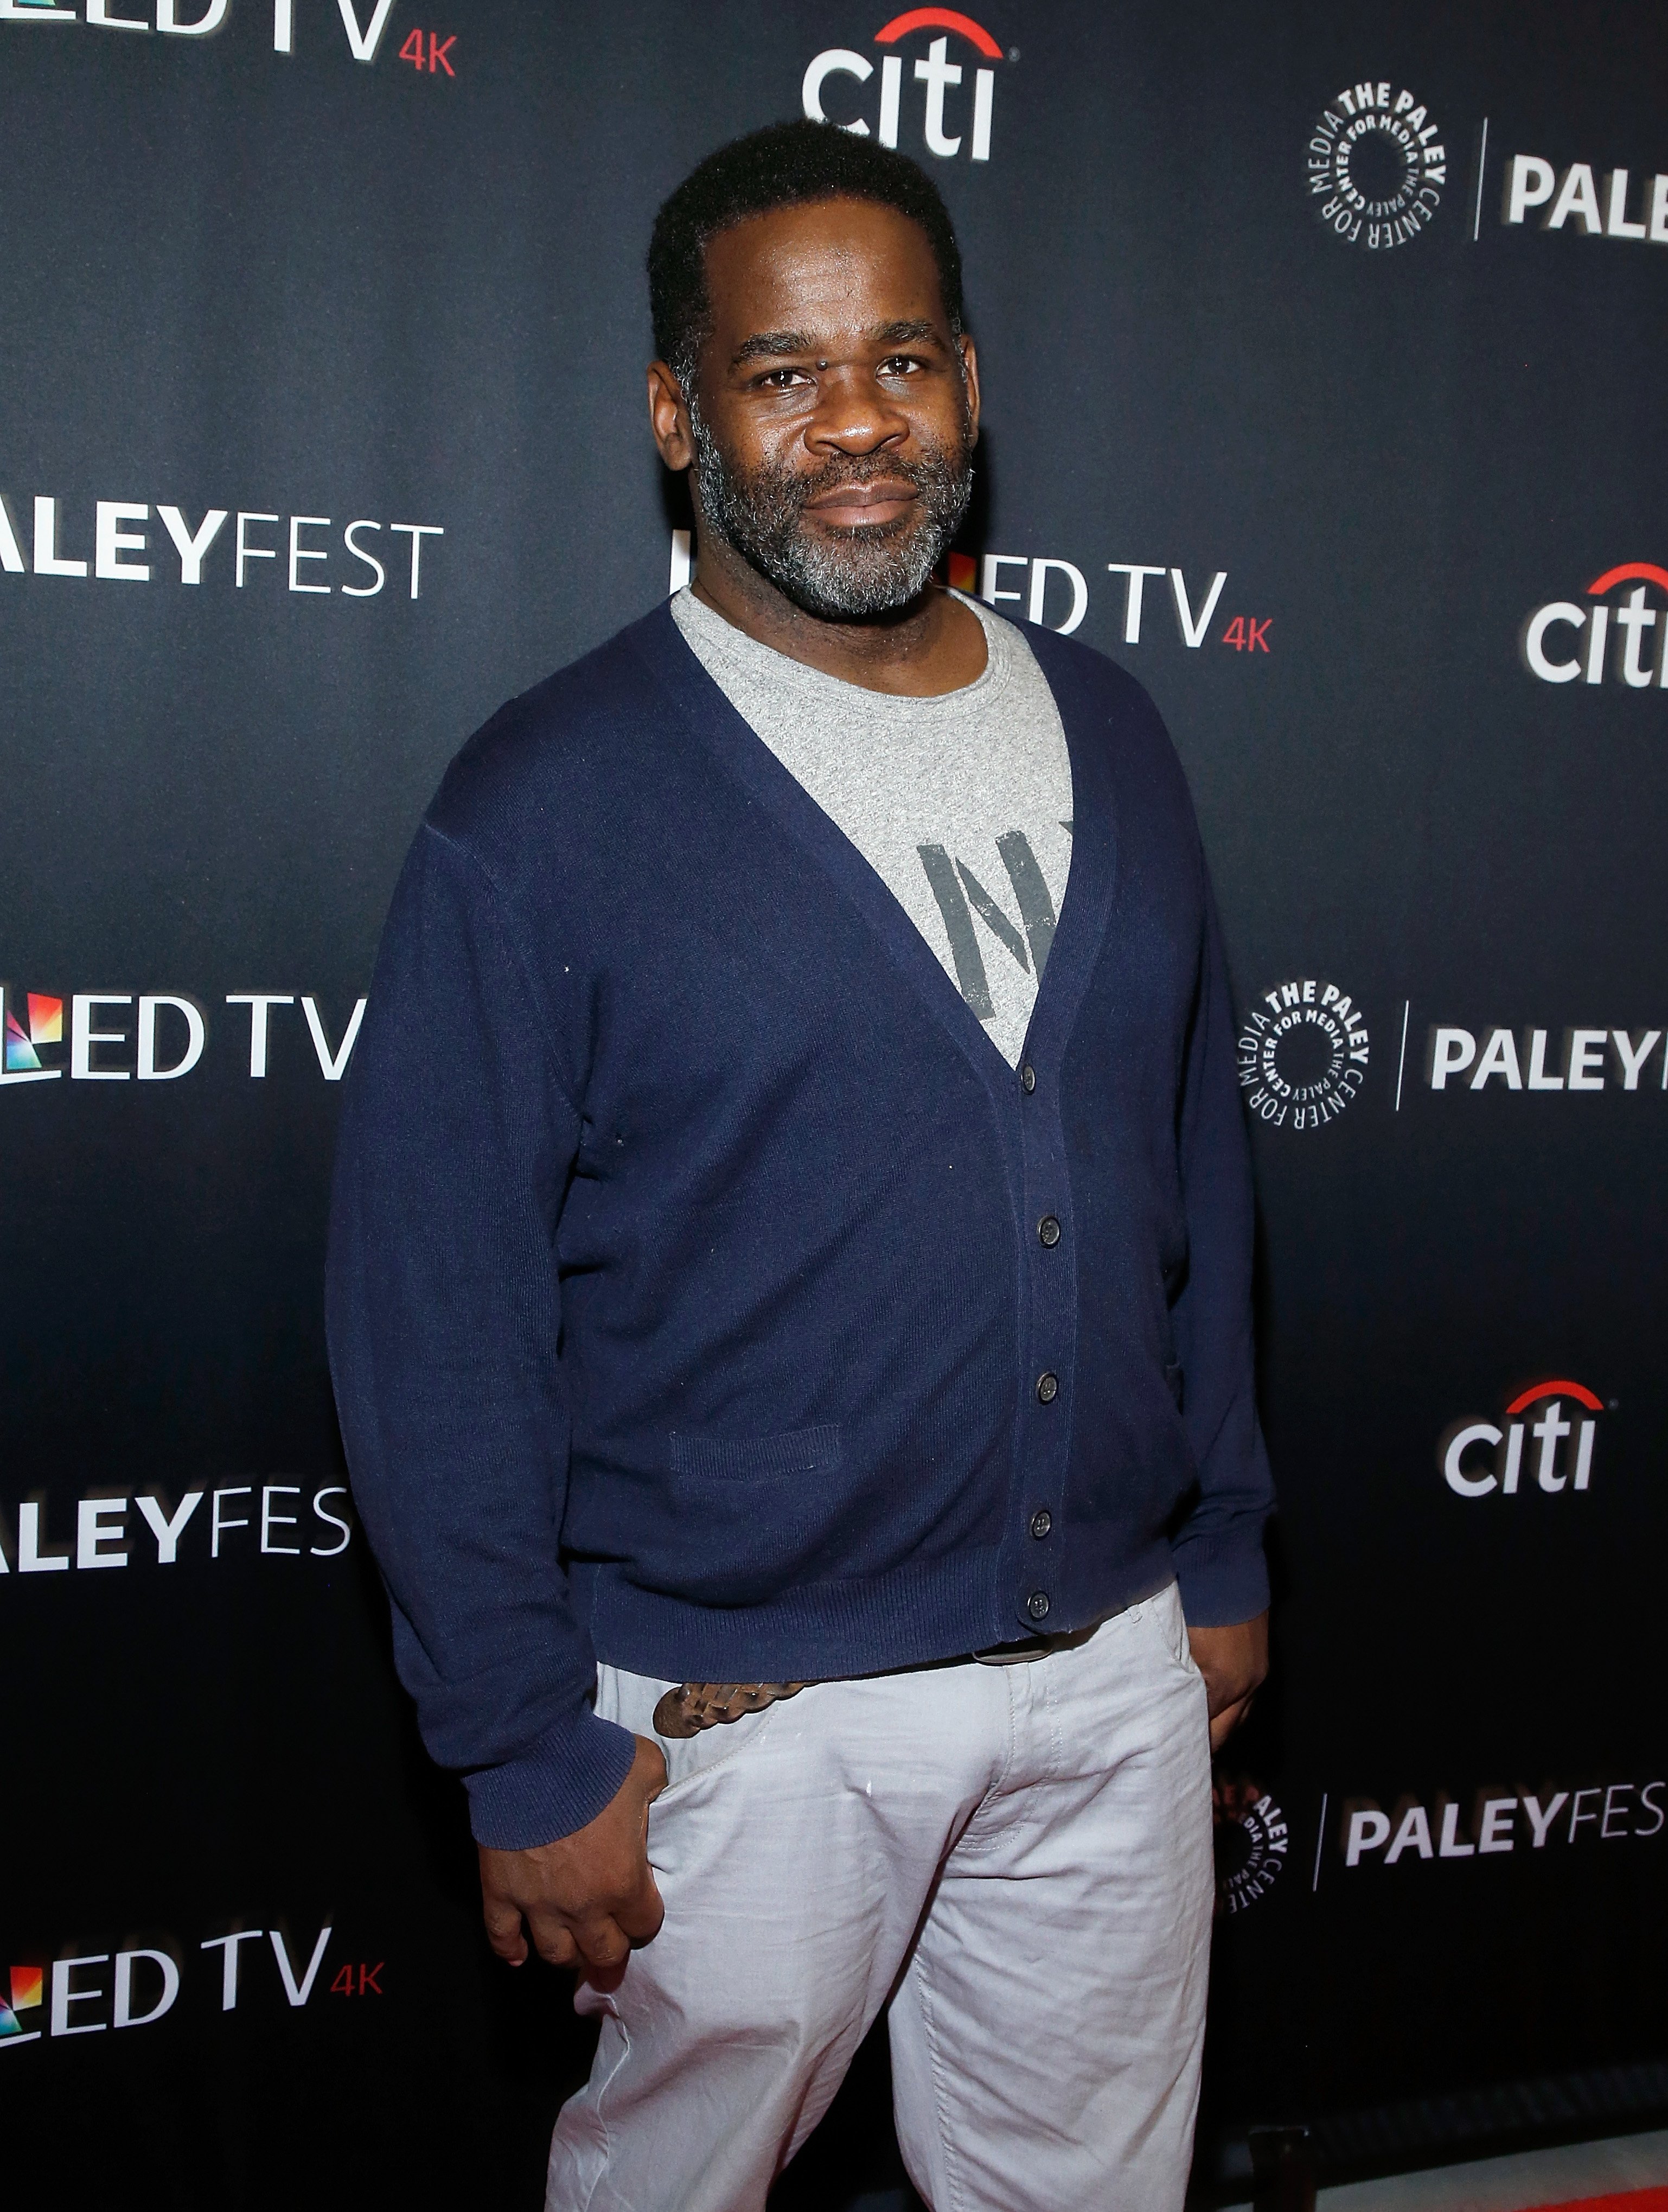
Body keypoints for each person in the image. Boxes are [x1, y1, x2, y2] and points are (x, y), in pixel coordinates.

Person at [327, 118, 1273, 2212]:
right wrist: (514, 1736)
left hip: (1112, 1676)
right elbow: (435, 1304)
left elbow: (1190, 1168)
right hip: (746, 1721)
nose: (857, 424)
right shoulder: (547, 797)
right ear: (679, 415)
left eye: (906, 360)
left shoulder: (1114, 731)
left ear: (968, 384)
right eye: (783, 376)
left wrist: (1218, 1550)